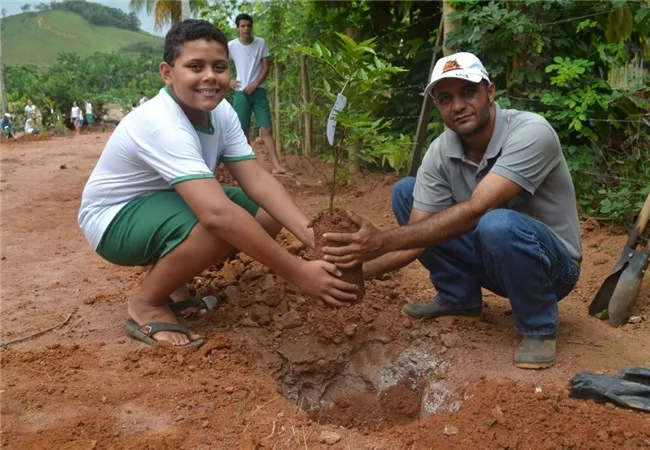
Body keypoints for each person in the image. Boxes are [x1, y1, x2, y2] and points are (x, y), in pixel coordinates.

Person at [78, 20, 357, 349]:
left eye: (219, 66)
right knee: (217, 226)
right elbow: (217, 215)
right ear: (167, 73)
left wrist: (311, 237)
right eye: (195, 66)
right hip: (115, 220)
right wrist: (299, 273)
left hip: (167, 201)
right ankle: (148, 302)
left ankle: (173, 275)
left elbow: (258, 181)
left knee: (265, 216)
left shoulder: (221, 111)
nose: (210, 76)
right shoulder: (161, 122)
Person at [321, 52, 582, 370]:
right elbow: (417, 237)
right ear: (437, 107)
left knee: (495, 223)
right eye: (445, 98)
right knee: (406, 191)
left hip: (552, 269)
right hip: (492, 258)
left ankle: (538, 327)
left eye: (468, 92)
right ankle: (459, 298)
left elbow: (477, 209)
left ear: (490, 91)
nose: (457, 106)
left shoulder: (531, 132)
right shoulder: (440, 151)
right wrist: (351, 274)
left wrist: (380, 241)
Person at [228, 13, 291, 177]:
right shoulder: (231, 46)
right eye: (242, 26)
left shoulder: (260, 43)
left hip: (259, 91)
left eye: (248, 25)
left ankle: (277, 166)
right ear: (237, 28)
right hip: (240, 92)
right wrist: (229, 81)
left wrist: (255, 84)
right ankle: (249, 169)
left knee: (267, 128)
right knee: (242, 131)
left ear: (252, 27)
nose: (246, 29)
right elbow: (220, 64)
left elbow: (266, 67)